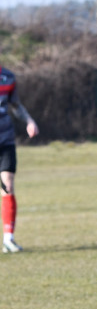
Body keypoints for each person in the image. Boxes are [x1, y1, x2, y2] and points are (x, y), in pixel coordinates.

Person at [0, 64, 40, 253]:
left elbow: (15, 105)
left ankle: (8, 239)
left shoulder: (8, 77)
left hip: (5, 140)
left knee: (7, 185)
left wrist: (29, 121)